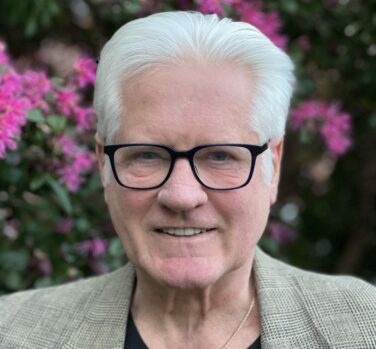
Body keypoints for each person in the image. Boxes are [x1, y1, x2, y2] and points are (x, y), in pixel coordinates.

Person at [1, 11, 375, 349]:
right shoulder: (13, 333)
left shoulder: (363, 329)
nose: (181, 195)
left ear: (272, 167)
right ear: (104, 165)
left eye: (220, 156)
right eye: (146, 155)